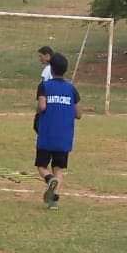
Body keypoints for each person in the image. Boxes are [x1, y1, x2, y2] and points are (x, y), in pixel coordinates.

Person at [35, 52, 81, 208]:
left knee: (42, 166)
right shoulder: (71, 89)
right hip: (64, 136)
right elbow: (78, 114)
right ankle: (52, 201)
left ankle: (49, 180)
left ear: (51, 69)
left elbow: (42, 106)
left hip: (47, 134)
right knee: (58, 168)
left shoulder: (44, 86)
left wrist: (38, 111)